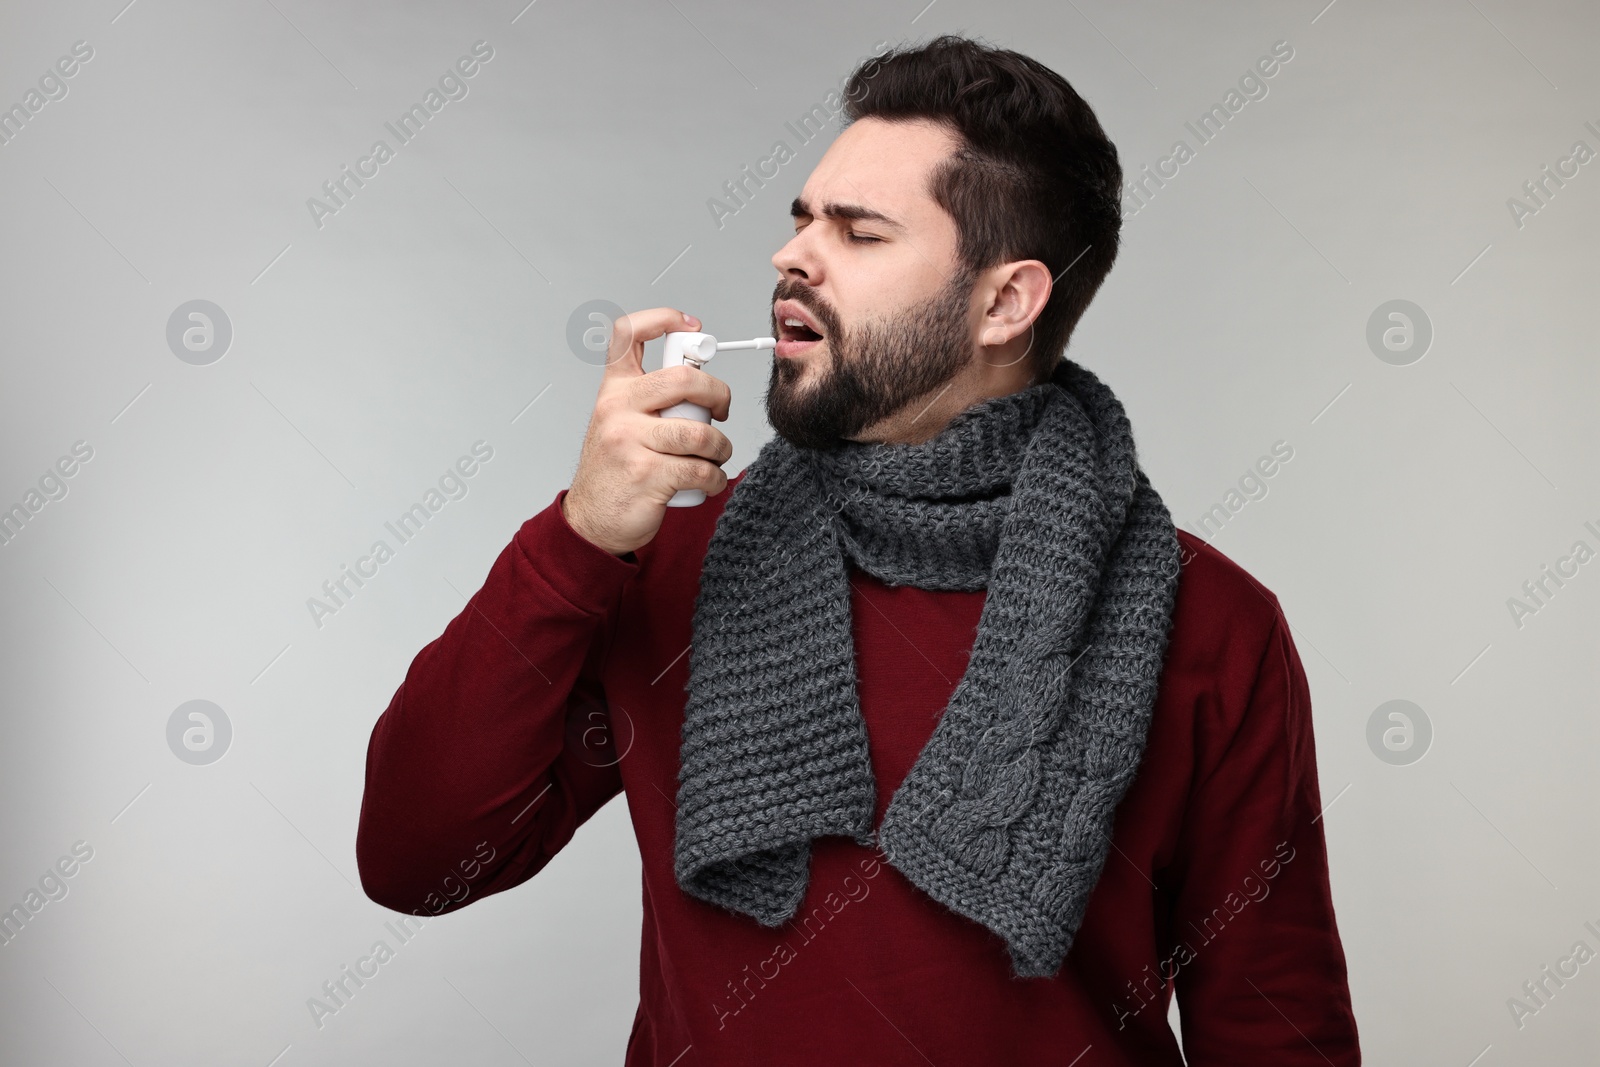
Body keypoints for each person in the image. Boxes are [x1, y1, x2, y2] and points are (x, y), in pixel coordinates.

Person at [356, 33, 1361, 1066]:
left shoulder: (1209, 619)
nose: (793, 255)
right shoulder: (665, 558)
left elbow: (1274, 1019)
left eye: (858, 231)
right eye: (799, 219)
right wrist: (575, 541)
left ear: (1005, 302)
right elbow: (415, 859)